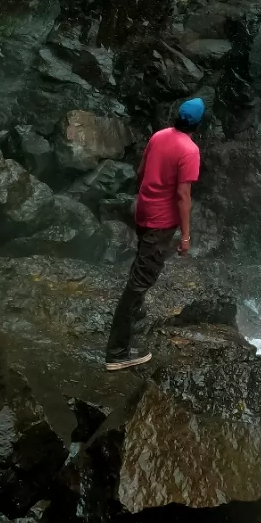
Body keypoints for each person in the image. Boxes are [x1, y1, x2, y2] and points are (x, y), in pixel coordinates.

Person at [104, 97, 203, 370]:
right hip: (161, 223)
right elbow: (183, 196)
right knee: (137, 285)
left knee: (141, 267)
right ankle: (117, 353)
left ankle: (135, 319)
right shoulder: (190, 151)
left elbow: (140, 171)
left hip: (144, 213)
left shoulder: (159, 136)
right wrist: (185, 236)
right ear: (198, 124)